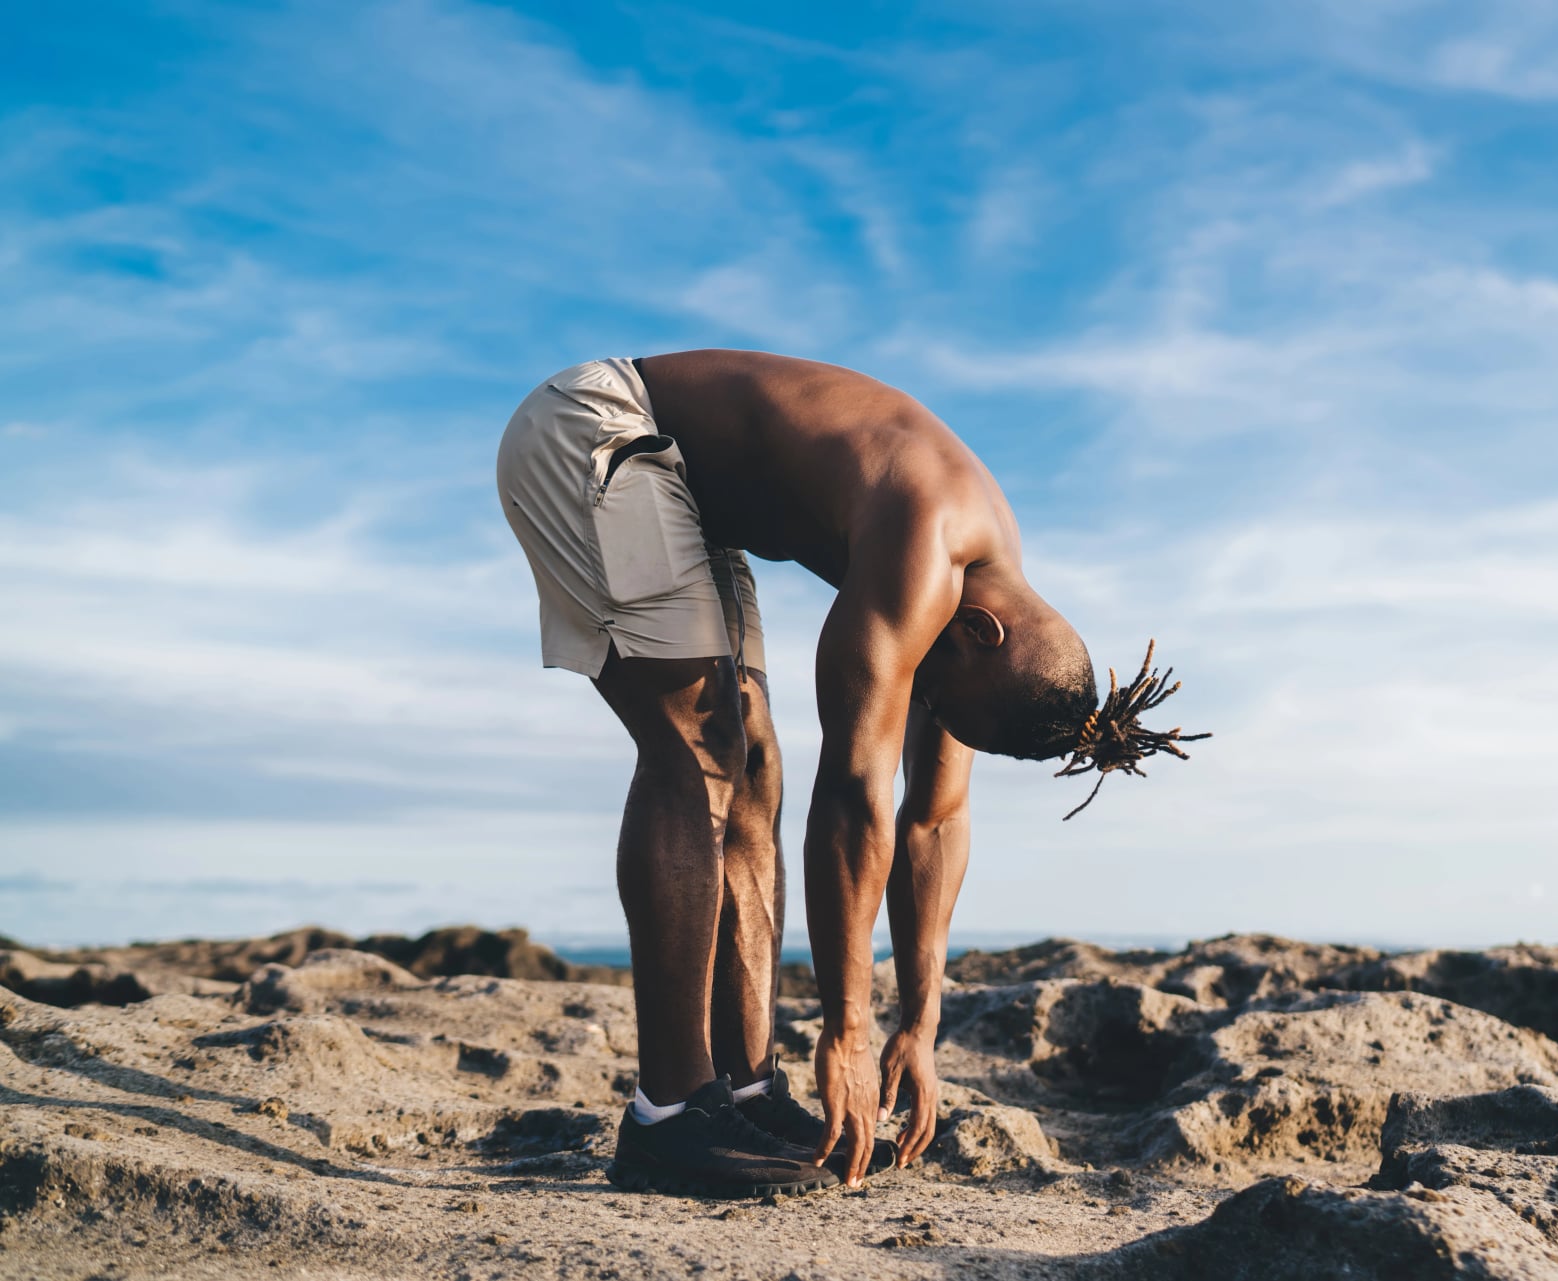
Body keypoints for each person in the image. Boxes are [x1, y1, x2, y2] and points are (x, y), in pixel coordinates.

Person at [496, 351, 1201, 1197]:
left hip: (687, 496)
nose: (926, 702)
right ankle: (669, 1110)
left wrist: (922, 1022)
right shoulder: (927, 539)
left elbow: (932, 819)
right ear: (980, 631)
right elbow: (854, 798)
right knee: (697, 747)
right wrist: (849, 1029)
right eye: (935, 691)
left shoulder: (986, 601)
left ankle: (744, 1088)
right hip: (602, 429)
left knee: (752, 762)